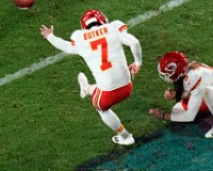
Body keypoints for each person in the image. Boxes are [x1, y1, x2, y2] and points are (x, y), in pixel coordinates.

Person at [39, 9, 142, 146]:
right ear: (102, 20)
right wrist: (137, 62)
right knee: (101, 87)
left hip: (108, 93)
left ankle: (125, 136)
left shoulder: (80, 38)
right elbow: (134, 43)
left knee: (101, 108)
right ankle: (86, 88)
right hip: (127, 86)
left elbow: (66, 47)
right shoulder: (113, 27)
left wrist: (50, 36)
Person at [149, 51, 213, 139]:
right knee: (198, 96)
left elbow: (189, 115)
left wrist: (163, 115)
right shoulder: (190, 70)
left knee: (206, 94)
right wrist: (177, 94)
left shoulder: (192, 78)